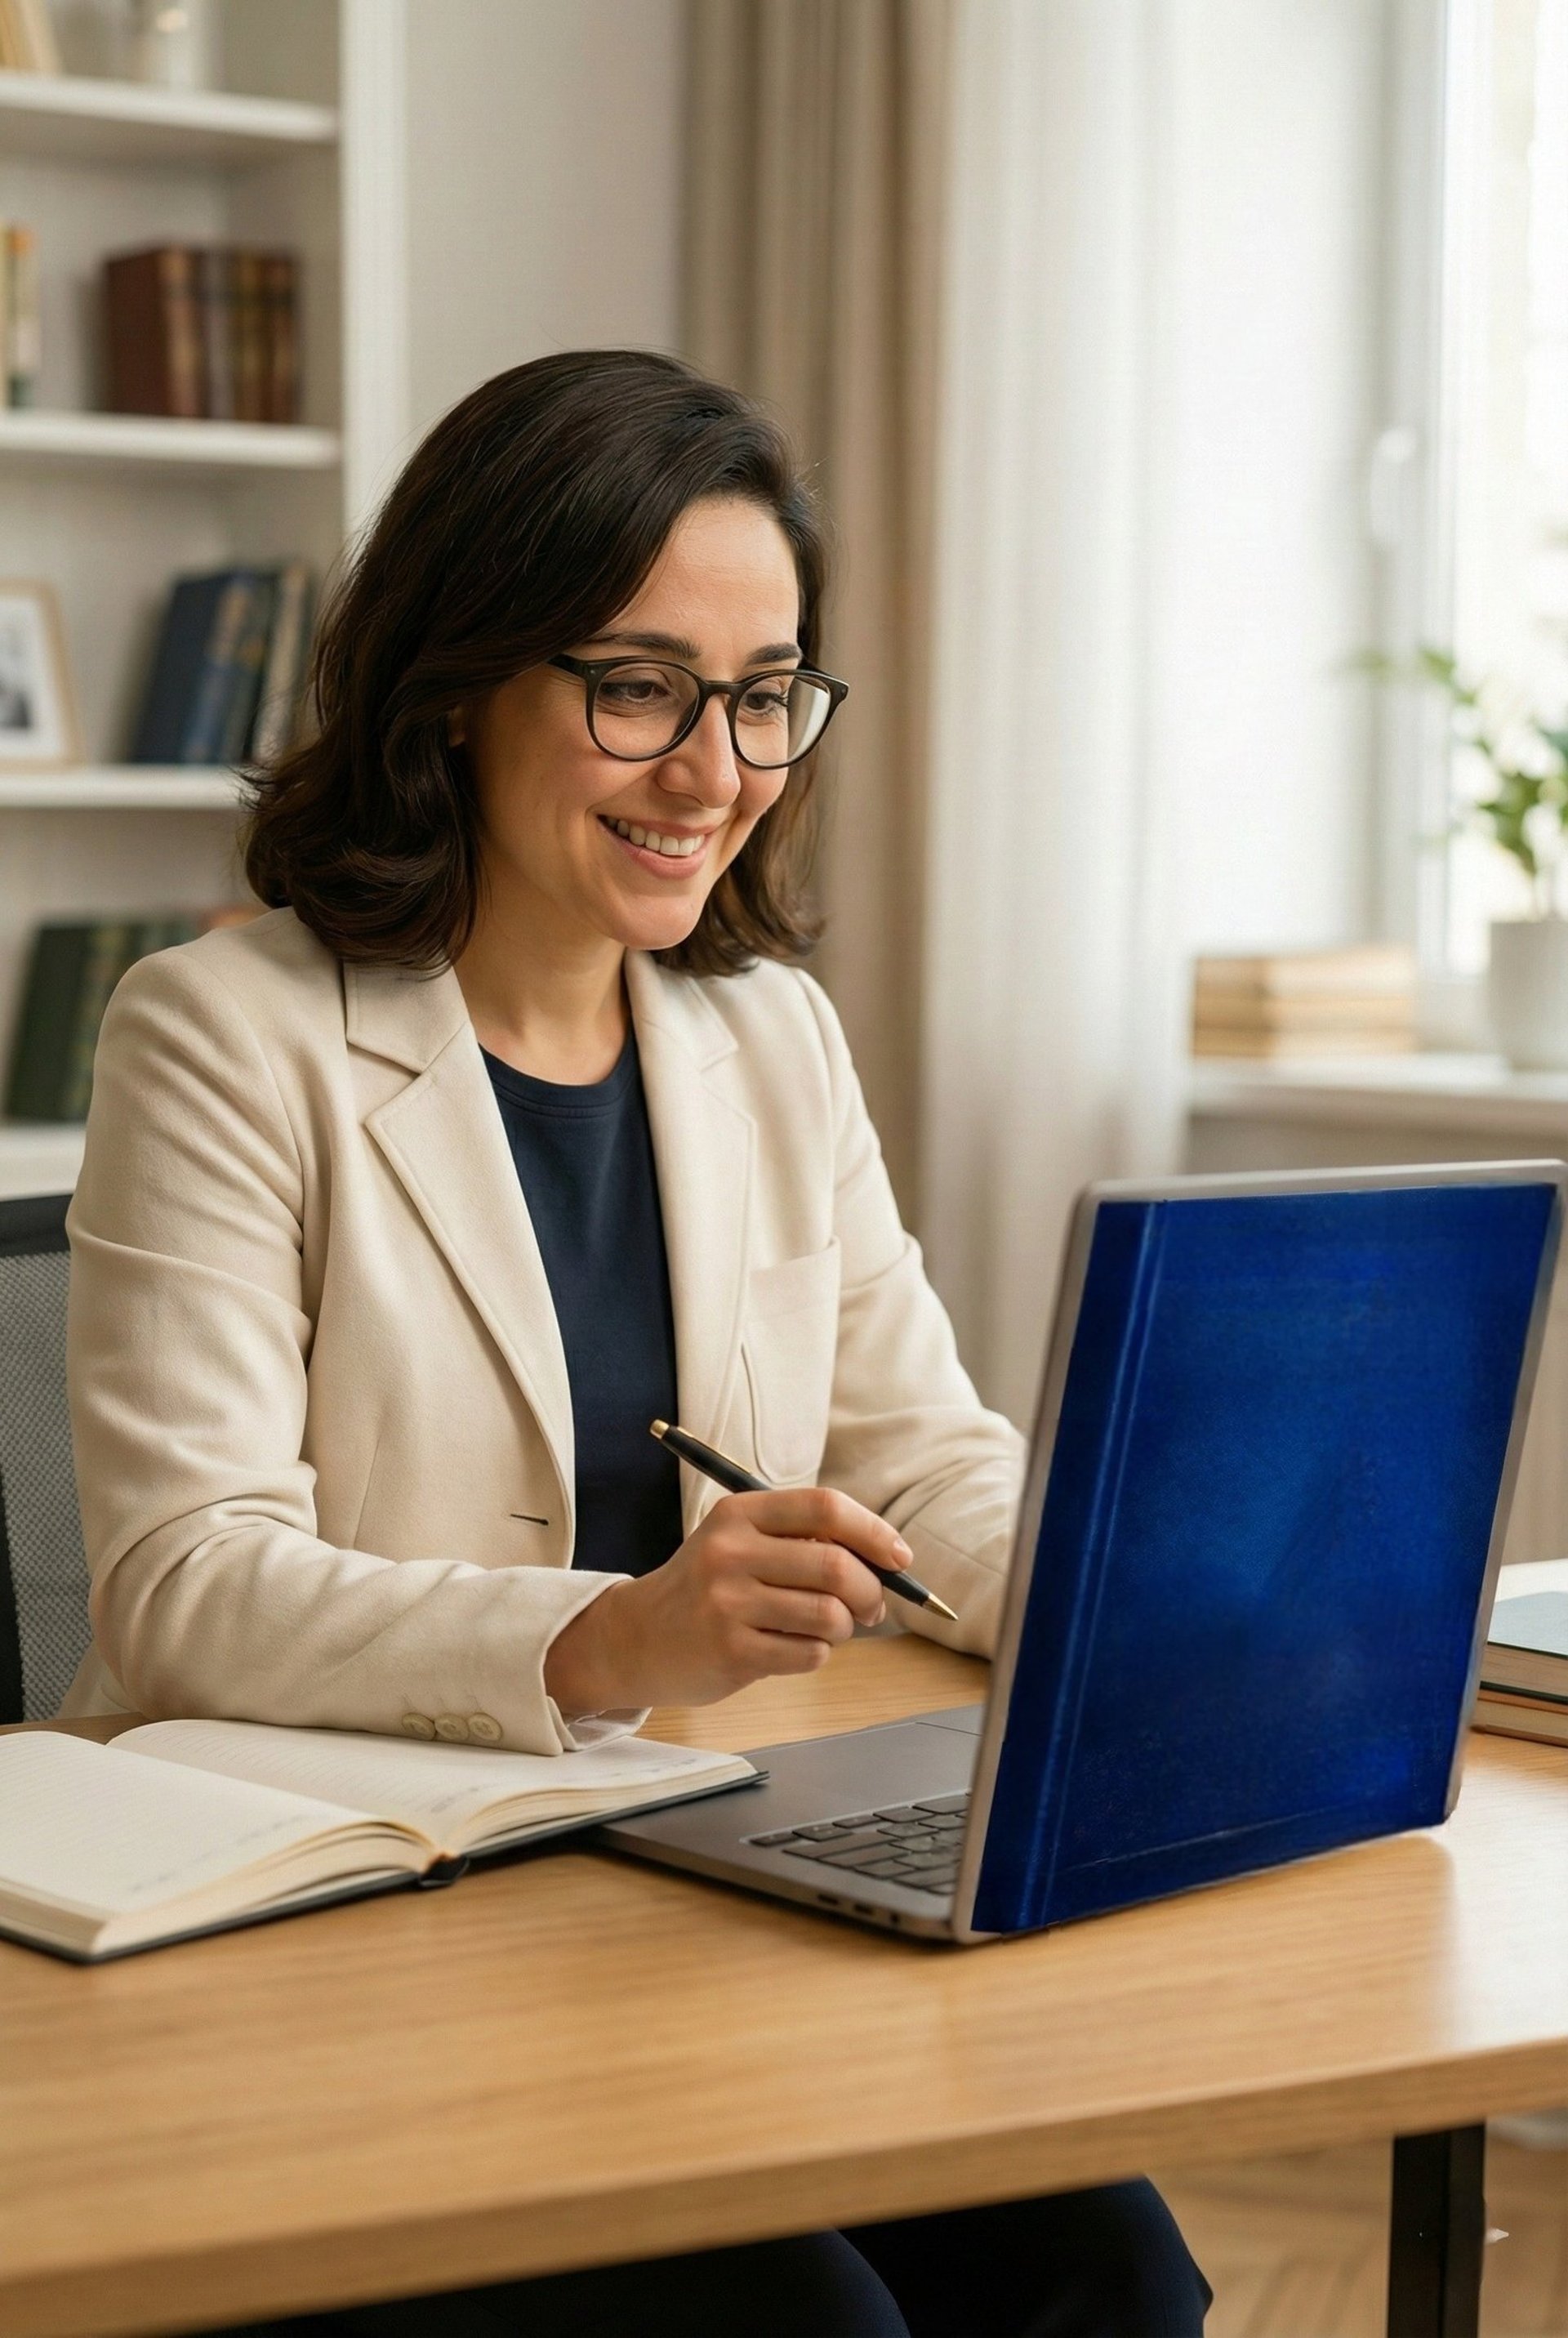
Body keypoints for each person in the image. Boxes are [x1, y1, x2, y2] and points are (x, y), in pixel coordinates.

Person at [63, 350, 1210, 2336]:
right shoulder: (218, 1034)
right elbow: (183, 1584)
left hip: (672, 1879)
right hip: (333, 1917)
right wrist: (608, 1640)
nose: (715, 770)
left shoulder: (766, 1040)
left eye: (765, 695)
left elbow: (925, 1455)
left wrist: (1145, 1606)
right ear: (455, 687)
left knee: (1108, 2272)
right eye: (638, 687)